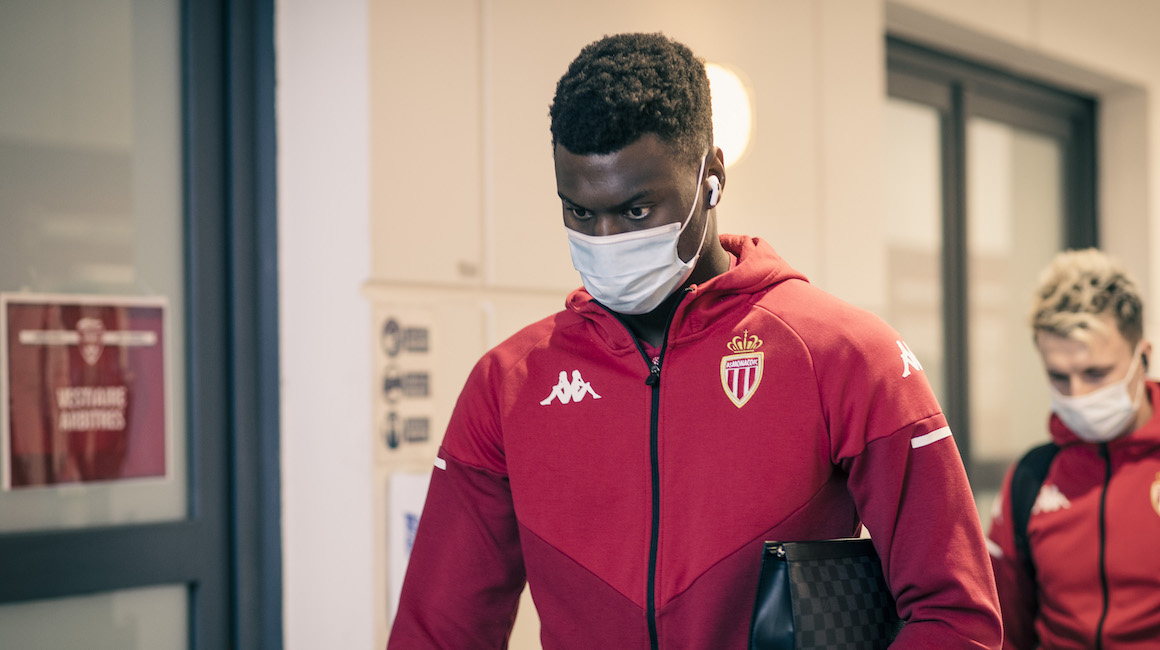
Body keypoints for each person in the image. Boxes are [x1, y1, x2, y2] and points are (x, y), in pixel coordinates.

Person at [388, 32, 1001, 649]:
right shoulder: (508, 384)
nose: (604, 239)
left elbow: (956, 618)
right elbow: (436, 635)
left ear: (712, 178)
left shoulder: (843, 354)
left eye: (636, 211)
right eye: (579, 212)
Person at [987, 249, 1160, 649]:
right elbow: (1003, 631)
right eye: (1059, 376)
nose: (1077, 394)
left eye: (1095, 373)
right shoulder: (1030, 478)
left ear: (1143, 358)